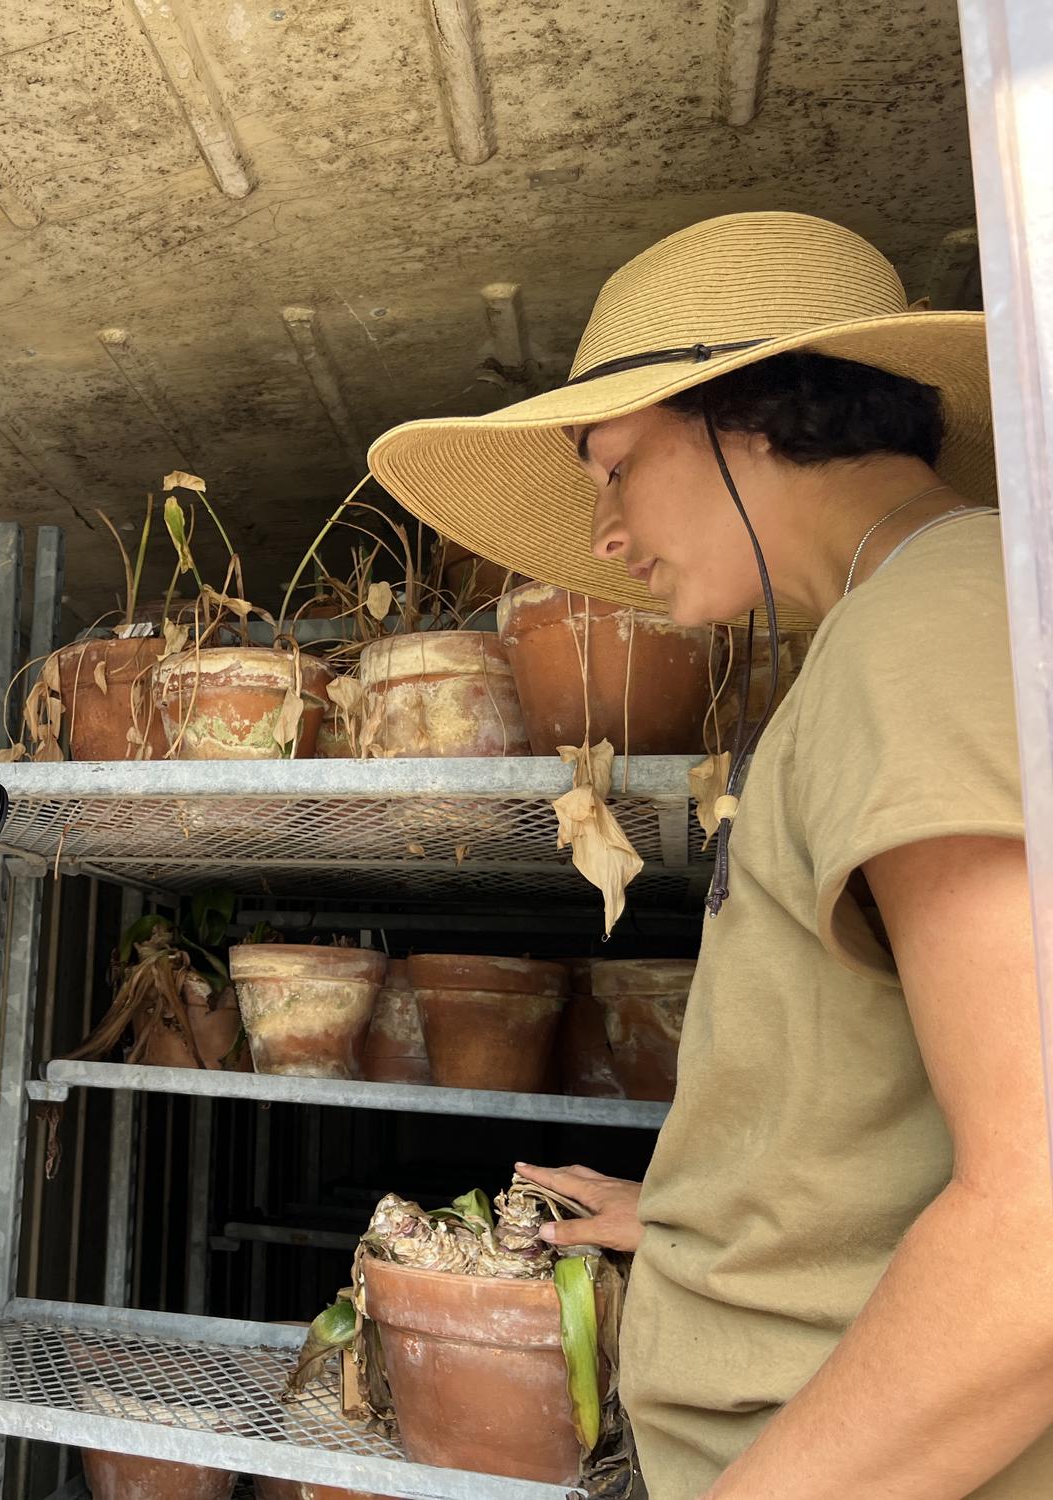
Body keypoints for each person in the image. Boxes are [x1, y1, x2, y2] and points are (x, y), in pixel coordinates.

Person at [369, 212, 1051, 1497]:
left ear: (743, 414)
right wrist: (698, 1228)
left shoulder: (929, 632)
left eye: (612, 468)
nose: (607, 532)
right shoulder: (903, 629)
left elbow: (1041, 1214)